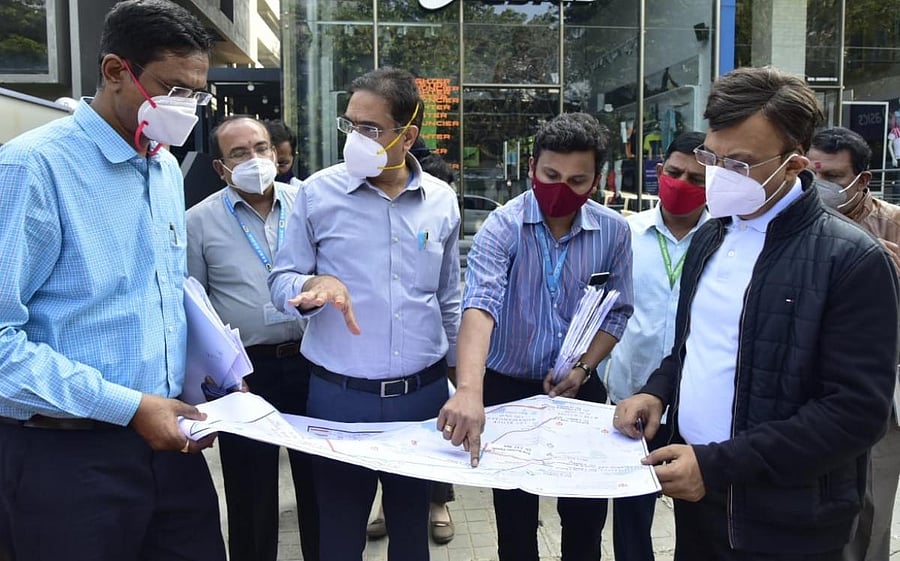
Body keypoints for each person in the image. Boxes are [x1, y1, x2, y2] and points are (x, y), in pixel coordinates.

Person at [613, 66, 900, 560]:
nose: (720, 175)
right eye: (713, 157)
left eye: (740, 164)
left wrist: (717, 465)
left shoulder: (851, 259)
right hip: (699, 504)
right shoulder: (711, 235)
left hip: (789, 521)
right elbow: (693, 347)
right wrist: (657, 391)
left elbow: (855, 413)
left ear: (793, 164)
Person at [0, 1, 226, 560]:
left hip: (170, 445)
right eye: (173, 89)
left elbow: (160, 296)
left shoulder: (164, 167)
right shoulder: (33, 168)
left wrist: (214, 374)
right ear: (115, 71)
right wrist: (127, 406)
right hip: (66, 458)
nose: (186, 107)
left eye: (197, 94)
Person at [268, 67, 464, 561]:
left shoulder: (441, 201)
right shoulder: (317, 193)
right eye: (350, 124)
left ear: (408, 136)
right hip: (339, 399)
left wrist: (462, 382)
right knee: (338, 536)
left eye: (370, 128)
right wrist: (312, 285)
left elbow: (448, 297)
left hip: (420, 400)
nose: (355, 138)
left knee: (411, 536)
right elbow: (280, 280)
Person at [441, 112, 634, 561]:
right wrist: (469, 390)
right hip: (508, 390)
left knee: (585, 519)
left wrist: (583, 368)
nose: (561, 188)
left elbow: (618, 312)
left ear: (596, 180)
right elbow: (480, 307)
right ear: (532, 168)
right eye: (550, 175)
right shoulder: (502, 226)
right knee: (515, 522)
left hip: (579, 389)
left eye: (577, 180)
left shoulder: (613, 231)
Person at [186, 116, 319, 561]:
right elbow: (195, 307)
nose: (254, 159)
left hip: (311, 361)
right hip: (245, 374)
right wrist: (215, 377)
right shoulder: (197, 222)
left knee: (320, 484)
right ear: (221, 167)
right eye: (239, 153)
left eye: (261, 148)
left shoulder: (307, 204)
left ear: (276, 153)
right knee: (250, 492)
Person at [604, 130, 709, 561]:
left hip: (695, 406)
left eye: (696, 178)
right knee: (631, 518)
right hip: (631, 399)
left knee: (698, 519)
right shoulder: (625, 234)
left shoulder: (724, 241)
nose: (682, 184)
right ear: (660, 171)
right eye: (674, 172)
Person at [808, 126, 900, 561]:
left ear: (862, 180)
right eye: (812, 174)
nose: (819, 186)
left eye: (833, 177)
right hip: (811, 387)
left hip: (878, 391)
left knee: (872, 505)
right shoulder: (797, 219)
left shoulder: (893, 224)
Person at [366, 143, 458, 545]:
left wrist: (460, 371)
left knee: (430, 450)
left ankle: (438, 504)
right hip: (367, 373)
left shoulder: (441, 204)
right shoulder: (337, 201)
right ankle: (385, 507)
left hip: (425, 369)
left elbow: (450, 295)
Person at [265, 118, 303, 187]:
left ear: (294, 157)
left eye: (281, 164)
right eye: (269, 163)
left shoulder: (303, 191)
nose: (276, 171)